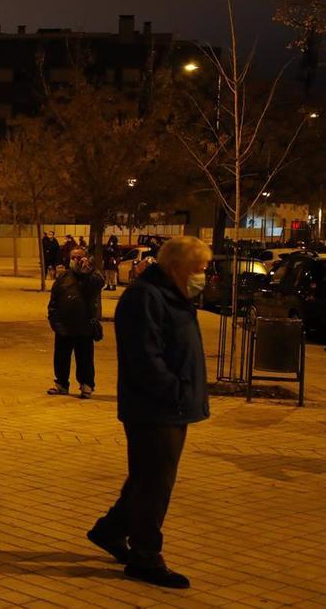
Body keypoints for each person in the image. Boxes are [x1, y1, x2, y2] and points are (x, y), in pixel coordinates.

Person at [87, 236, 211, 589]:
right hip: (154, 408)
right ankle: (145, 556)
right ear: (175, 267)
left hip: (171, 405)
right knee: (154, 484)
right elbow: (145, 358)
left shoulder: (174, 295)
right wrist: (175, 391)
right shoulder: (146, 297)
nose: (203, 276)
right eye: (198, 269)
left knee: (146, 479)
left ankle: (110, 531)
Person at [46, 246, 105, 399]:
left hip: (84, 327)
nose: (77, 261)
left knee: (85, 358)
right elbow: (53, 302)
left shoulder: (92, 276)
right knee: (61, 357)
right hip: (64, 327)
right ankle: (61, 384)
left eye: (80, 257)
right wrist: (55, 322)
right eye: (74, 258)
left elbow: (99, 283)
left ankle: (86, 386)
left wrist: (89, 271)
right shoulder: (63, 278)